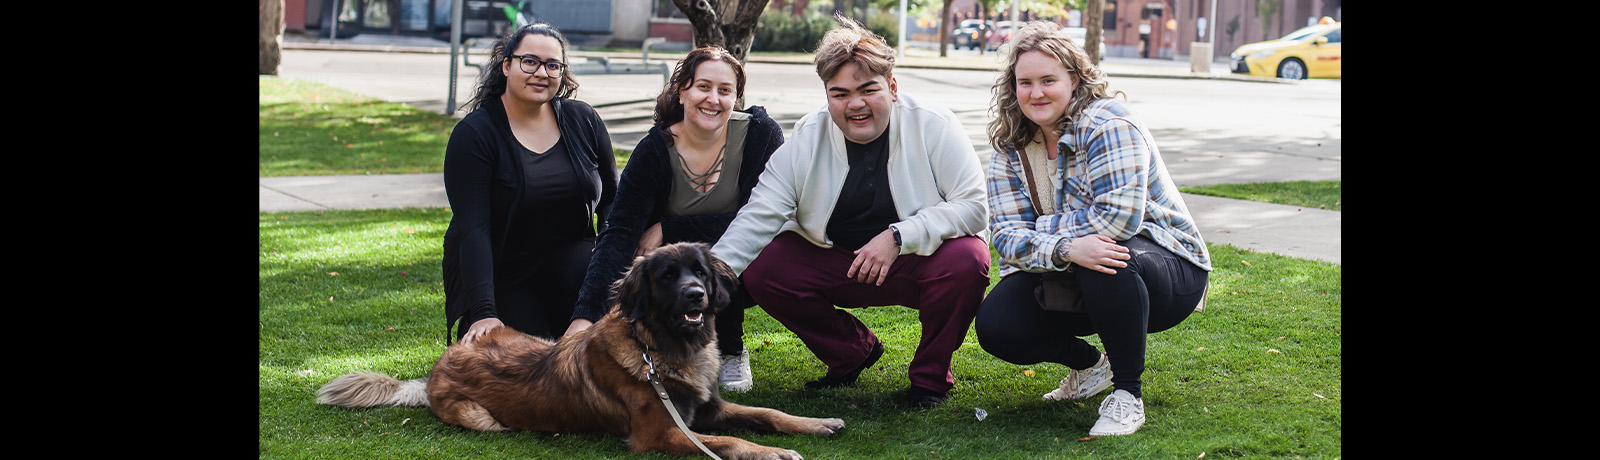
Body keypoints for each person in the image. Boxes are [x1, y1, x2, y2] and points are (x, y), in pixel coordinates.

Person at [710, 15, 991, 408]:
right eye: (839, 93)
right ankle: (851, 351)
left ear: (892, 87)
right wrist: (705, 280)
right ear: (826, 95)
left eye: (868, 89)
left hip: (916, 262)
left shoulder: (935, 124)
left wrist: (898, 236)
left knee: (969, 258)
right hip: (839, 262)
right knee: (764, 265)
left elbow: (974, 207)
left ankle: (929, 379)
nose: (854, 104)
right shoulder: (807, 138)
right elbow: (758, 216)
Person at [976, 22, 1212, 436]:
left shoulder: (1108, 123)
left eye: (1049, 80)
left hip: (1165, 268)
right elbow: (1006, 239)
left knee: (1103, 253)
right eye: (1025, 82)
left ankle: (1127, 395)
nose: (1036, 93)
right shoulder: (1011, 148)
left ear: (1075, 78)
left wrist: (1046, 232)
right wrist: (1066, 247)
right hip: (1073, 265)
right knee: (998, 324)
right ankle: (1090, 368)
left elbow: (1118, 220)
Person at [567, 46, 785, 392]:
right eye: (703, 87)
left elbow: (762, 217)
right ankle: (658, 346)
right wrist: (584, 317)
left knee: (720, 252)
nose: (713, 99)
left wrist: (671, 228)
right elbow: (620, 232)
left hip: (746, 263)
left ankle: (730, 350)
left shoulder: (760, 135)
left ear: (736, 98)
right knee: (663, 263)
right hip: (676, 272)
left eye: (725, 90)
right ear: (682, 91)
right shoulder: (656, 149)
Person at [441, 23, 618, 345]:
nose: (542, 73)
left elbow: (612, 203)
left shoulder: (584, 121)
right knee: (531, 368)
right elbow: (473, 230)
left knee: (598, 359)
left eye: (553, 66)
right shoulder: (475, 135)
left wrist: (609, 272)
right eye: (530, 61)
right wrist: (483, 312)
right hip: (505, 276)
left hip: (573, 268)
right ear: (507, 65)